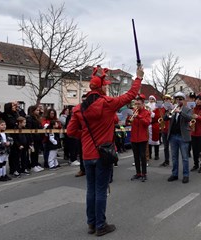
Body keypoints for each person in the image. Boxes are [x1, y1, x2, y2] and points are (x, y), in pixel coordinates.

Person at [67, 65, 144, 236]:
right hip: (103, 154)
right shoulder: (107, 103)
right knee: (101, 190)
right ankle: (101, 225)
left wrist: (85, 135)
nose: (107, 87)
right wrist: (138, 78)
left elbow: (70, 132)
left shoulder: (78, 108)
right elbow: (130, 96)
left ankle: (92, 224)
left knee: (91, 189)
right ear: (101, 87)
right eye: (106, 85)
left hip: (87, 154)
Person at [166, 92, 193, 184]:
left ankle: (186, 175)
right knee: (174, 157)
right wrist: (168, 113)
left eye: (180, 99)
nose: (178, 101)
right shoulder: (173, 109)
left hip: (183, 136)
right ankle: (174, 174)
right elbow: (166, 118)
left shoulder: (187, 109)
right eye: (177, 99)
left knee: (185, 157)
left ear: (184, 100)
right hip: (173, 136)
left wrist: (180, 112)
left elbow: (190, 118)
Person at [129, 94, 151, 182]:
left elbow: (147, 123)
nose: (137, 106)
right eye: (136, 104)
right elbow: (129, 122)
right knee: (136, 157)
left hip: (142, 138)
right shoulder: (133, 111)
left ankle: (144, 174)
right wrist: (129, 118)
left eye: (138, 104)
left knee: (142, 156)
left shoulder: (147, 112)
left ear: (142, 104)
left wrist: (139, 117)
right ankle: (138, 173)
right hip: (134, 138)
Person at [26, 105, 44, 173]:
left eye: (38, 110)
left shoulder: (37, 118)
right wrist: (31, 139)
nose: (38, 111)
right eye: (37, 110)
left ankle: (36, 164)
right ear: (32, 111)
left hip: (38, 137)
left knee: (36, 152)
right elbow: (29, 129)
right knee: (33, 152)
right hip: (33, 138)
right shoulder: (30, 118)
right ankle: (33, 165)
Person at [159, 94, 173, 167]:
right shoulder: (162, 108)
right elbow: (161, 117)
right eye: (165, 99)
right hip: (164, 129)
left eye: (168, 99)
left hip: (171, 129)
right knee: (165, 147)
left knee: (173, 147)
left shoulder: (173, 108)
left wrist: (170, 110)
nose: (166, 100)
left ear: (170, 100)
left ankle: (174, 160)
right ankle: (166, 160)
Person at [147, 95, 160, 160]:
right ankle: (149, 154)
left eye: (152, 99)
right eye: (150, 99)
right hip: (148, 125)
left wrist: (151, 112)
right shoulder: (147, 106)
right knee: (148, 141)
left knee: (156, 140)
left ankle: (156, 155)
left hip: (154, 125)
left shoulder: (156, 108)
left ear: (154, 100)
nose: (151, 100)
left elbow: (157, 116)